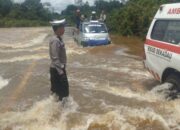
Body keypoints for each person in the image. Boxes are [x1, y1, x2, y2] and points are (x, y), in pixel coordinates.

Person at [49, 19, 69, 101]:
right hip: (57, 70)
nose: (64, 29)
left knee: (59, 93)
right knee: (63, 93)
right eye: (63, 27)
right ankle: (60, 110)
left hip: (58, 69)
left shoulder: (58, 39)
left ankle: (58, 109)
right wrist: (61, 73)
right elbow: (55, 57)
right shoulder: (55, 40)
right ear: (58, 29)